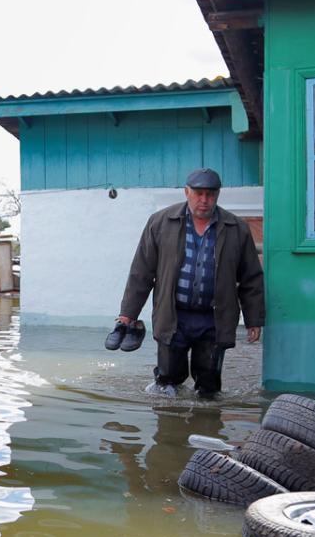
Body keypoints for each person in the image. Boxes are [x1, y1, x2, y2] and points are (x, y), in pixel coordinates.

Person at [109, 168, 264, 399]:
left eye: (210, 194)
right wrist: (127, 315)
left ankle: (207, 426)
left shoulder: (236, 229)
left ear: (218, 194)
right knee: (168, 380)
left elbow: (250, 277)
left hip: (214, 317)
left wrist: (253, 320)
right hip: (173, 315)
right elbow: (141, 272)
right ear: (186, 192)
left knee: (209, 386)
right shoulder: (161, 222)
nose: (204, 200)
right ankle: (170, 429)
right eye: (198, 193)